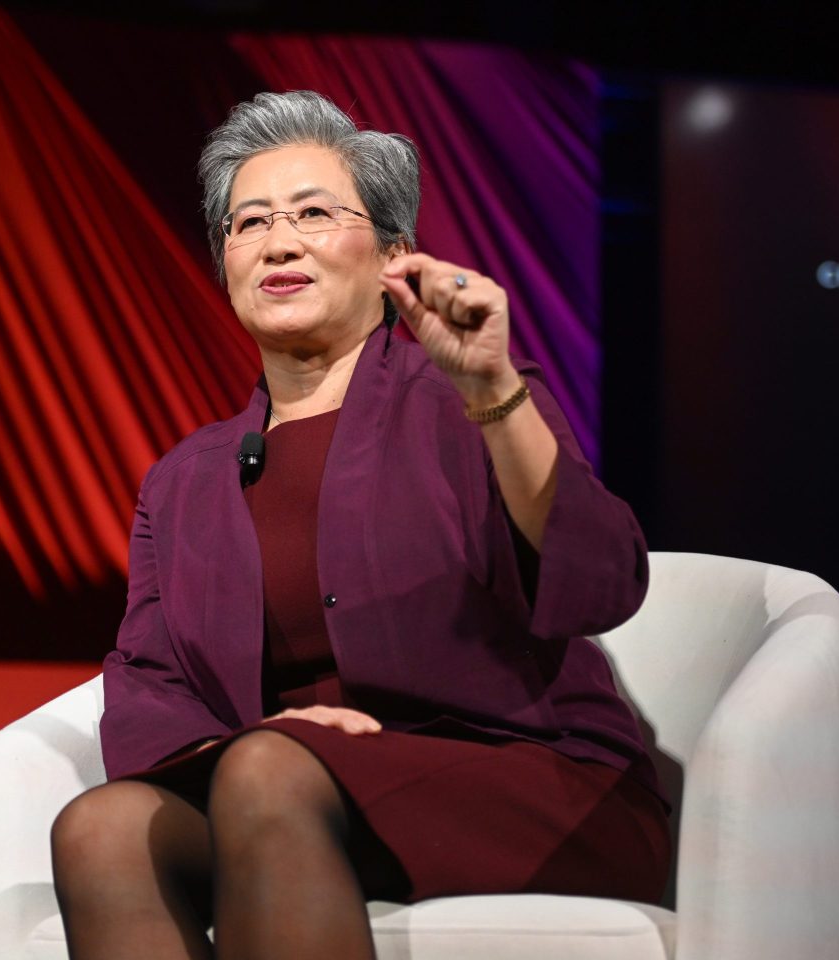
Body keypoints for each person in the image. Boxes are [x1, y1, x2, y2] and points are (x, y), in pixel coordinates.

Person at [51, 90, 668, 960]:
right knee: (103, 827)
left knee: (269, 774)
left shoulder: (472, 397)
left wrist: (493, 393)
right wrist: (263, 740)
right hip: (282, 793)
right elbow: (149, 685)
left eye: (313, 213)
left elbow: (605, 576)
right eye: (249, 221)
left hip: (531, 782)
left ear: (394, 253)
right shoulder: (182, 481)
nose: (278, 241)